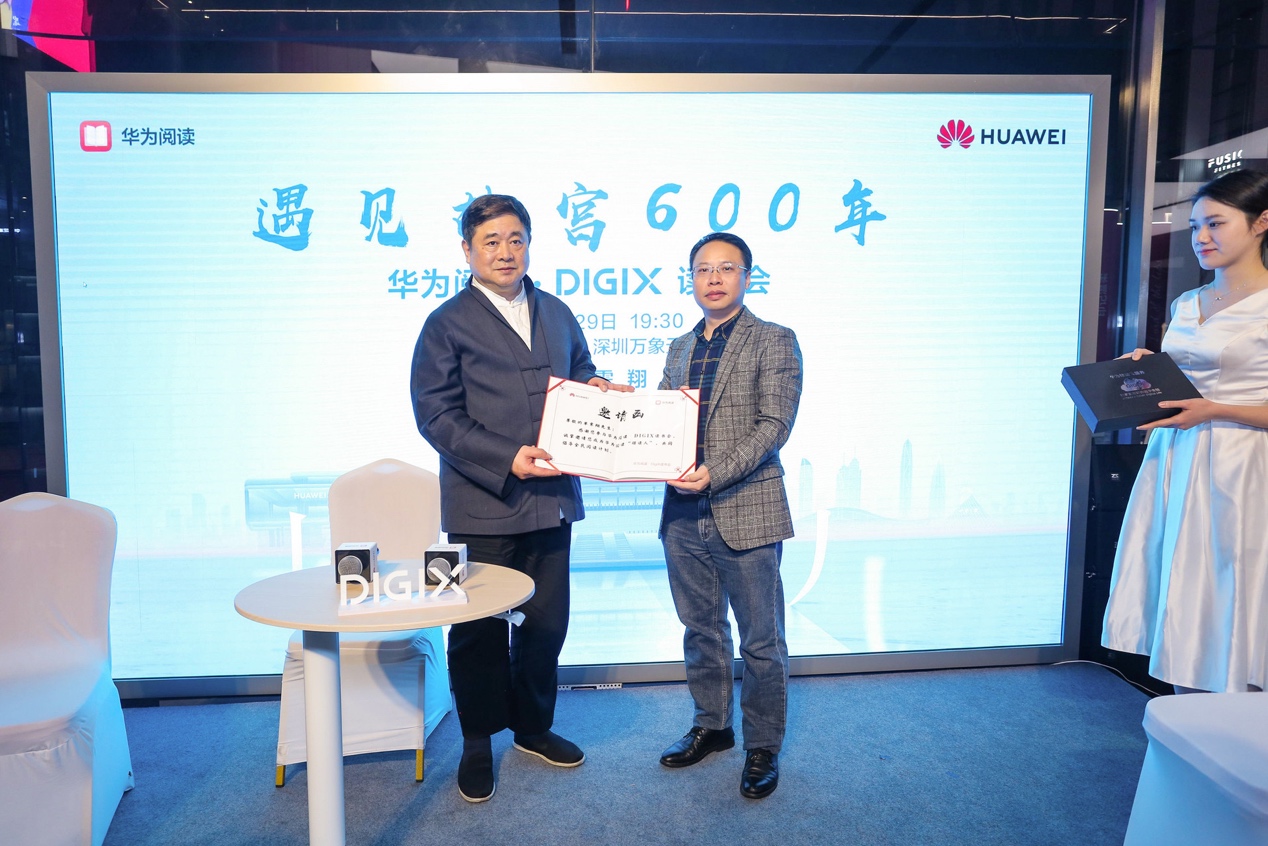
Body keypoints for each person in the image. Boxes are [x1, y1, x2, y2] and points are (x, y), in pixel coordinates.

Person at [410, 194, 630, 802]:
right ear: (467, 250)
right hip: (484, 500)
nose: (506, 252)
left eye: (516, 239)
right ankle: (478, 741)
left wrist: (597, 390)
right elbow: (435, 414)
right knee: (478, 629)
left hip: (553, 496)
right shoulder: (445, 322)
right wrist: (506, 457)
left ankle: (533, 728)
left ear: (529, 244)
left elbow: (579, 372)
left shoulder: (556, 311)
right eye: (491, 241)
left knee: (546, 623)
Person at [1102, 169, 1268, 694]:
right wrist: (1147, 370)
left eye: (1216, 223)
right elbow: (1184, 379)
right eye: (1195, 226)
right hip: (1177, 457)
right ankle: (1188, 714)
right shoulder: (1186, 303)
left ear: (1261, 222)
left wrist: (1214, 409)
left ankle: (1238, 719)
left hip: (1242, 464)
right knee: (1182, 586)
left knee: (1234, 584)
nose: (1201, 237)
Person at [656, 232, 803, 798]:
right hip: (681, 512)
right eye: (702, 269)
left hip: (747, 507)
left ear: (747, 276)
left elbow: (774, 425)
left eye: (726, 268)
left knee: (761, 640)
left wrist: (714, 471)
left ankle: (762, 745)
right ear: (691, 279)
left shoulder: (774, 339)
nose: (713, 278)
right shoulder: (678, 347)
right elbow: (660, 419)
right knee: (701, 630)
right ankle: (712, 727)